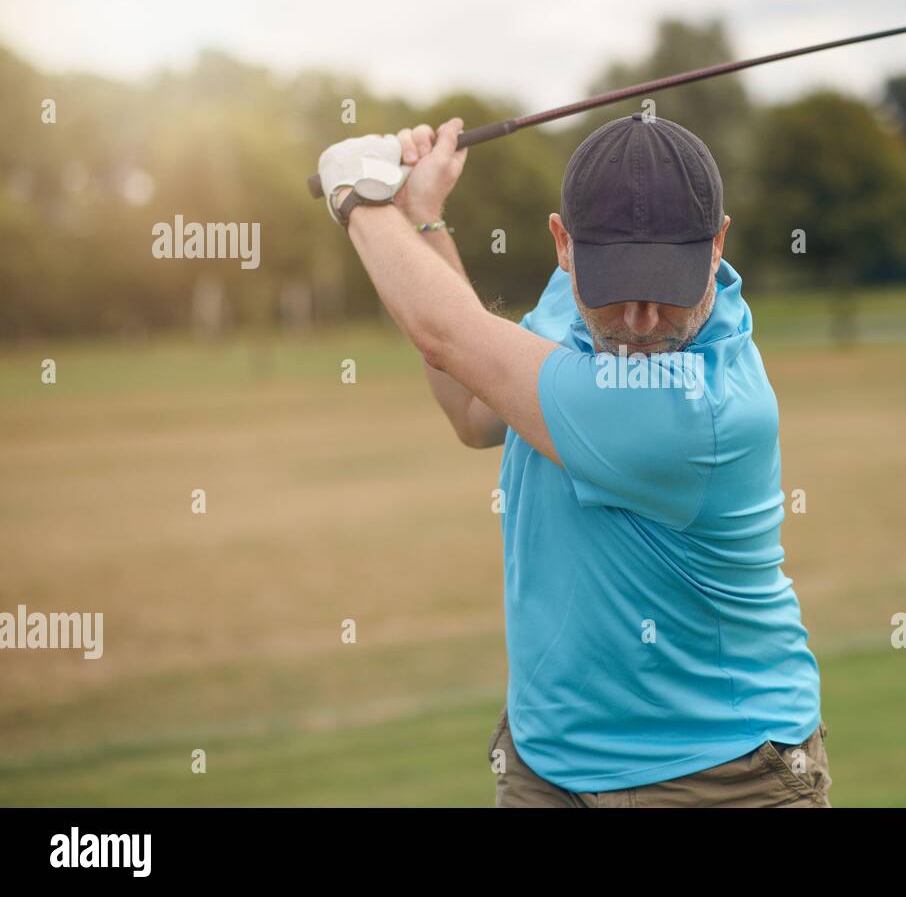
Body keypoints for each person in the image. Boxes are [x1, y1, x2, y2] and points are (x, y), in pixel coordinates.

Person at [317, 112, 829, 807]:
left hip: (719, 773)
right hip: (547, 767)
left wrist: (356, 198)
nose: (640, 321)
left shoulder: (700, 410)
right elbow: (476, 407)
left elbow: (449, 336)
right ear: (564, 246)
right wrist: (423, 217)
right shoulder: (572, 301)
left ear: (716, 246)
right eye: (616, 284)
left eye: (667, 285)